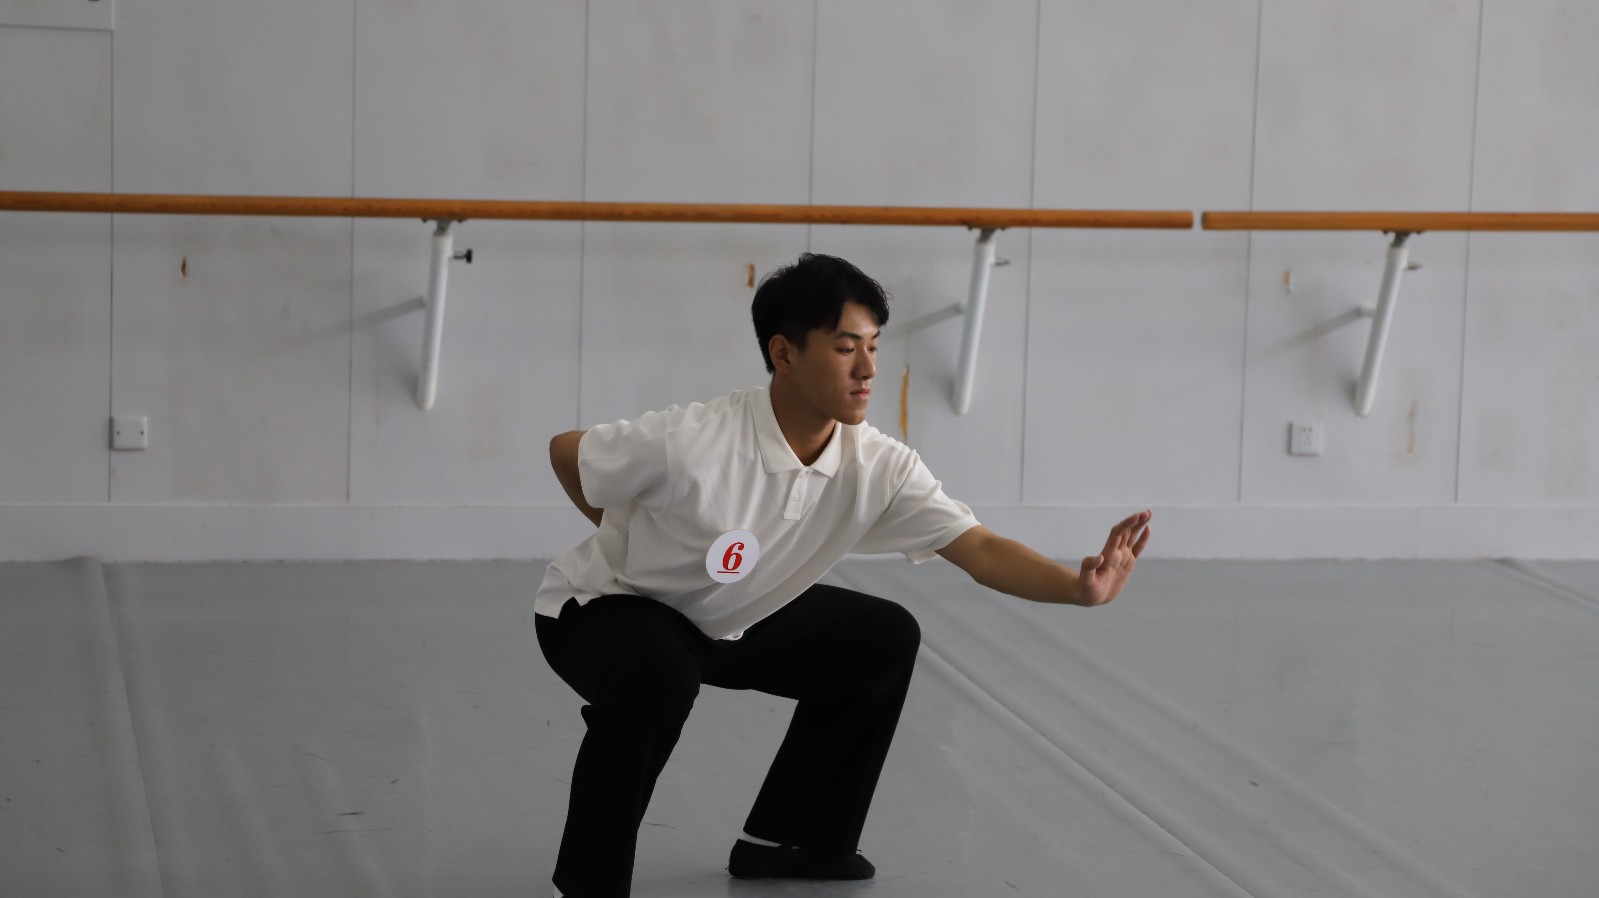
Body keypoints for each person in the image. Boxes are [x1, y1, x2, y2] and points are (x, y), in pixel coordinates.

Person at [536, 253, 1152, 898]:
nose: (868, 369)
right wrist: (621, 531)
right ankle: (588, 884)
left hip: (729, 619)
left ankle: (794, 841)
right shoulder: (695, 441)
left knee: (881, 638)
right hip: (607, 609)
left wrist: (1077, 588)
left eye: (874, 347)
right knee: (659, 676)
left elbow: (982, 549)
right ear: (784, 353)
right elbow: (567, 451)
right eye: (845, 347)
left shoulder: (879, 465)